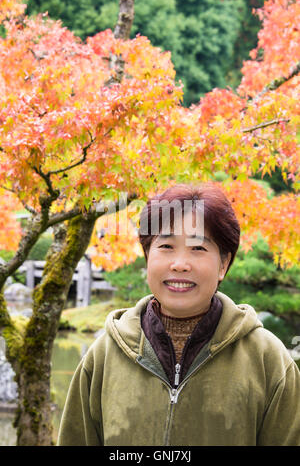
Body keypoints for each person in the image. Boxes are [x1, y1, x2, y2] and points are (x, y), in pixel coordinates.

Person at [57, 183, 300, 446]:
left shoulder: (266, 359)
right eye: (167, 246)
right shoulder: (104, 355)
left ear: (224, 263)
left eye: (198, 249)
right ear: (148, 254)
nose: (180, 264)